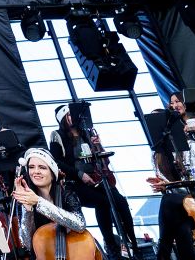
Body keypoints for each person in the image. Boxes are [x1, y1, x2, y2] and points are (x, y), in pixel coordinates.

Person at [48, 105, 136, 260]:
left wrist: (97, 145)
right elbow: (57, 162)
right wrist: (79, 174)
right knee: (102, 202)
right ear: (63, 118)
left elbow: (102, 158)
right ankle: (111, 245)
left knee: (121, 202)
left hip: (98, 177)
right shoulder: (57, 135)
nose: (72, 117)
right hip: (75, 181)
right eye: (68, 115)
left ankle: (131, 243)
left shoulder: (87, 133)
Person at [145, 94, 195, 260]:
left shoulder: (192, 147)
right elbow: (167, 185)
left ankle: (163, 253)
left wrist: (170, 185)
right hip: (178, 205)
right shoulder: (157, 155)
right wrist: (163, 185)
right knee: (180, 226)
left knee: (169, 202)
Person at [11, 148, 94, 256]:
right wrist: (28, 209)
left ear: (52, 172)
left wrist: (39, 202)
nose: (36, 171)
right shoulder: (25, 200)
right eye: (31, 167)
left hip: (72, 252)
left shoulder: (67, 194)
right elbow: (27, 243)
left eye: (42, 167)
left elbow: (80, 224)